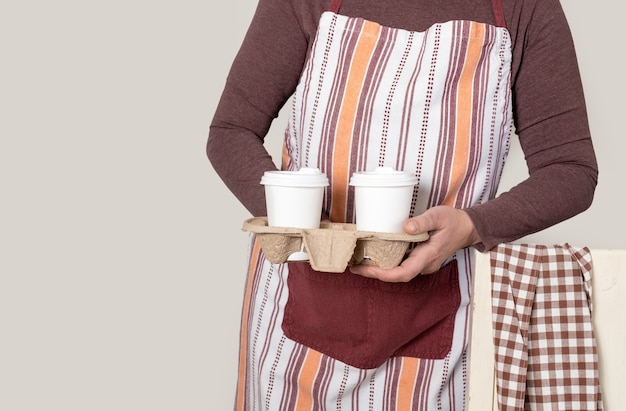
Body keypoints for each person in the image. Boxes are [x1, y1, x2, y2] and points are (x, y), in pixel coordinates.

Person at [207, 0, 598, 409]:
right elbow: (231, 130)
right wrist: (300, 223)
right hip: (295, 333)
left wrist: (472, 225)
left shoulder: (524, 7)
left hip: (438, 335)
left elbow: (569, 169)